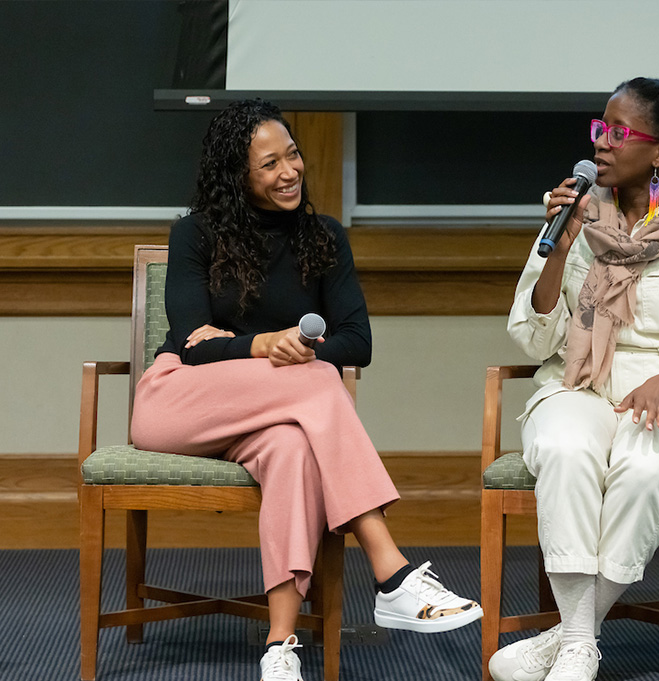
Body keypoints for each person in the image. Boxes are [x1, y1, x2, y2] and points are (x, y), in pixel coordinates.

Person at [129, 99, 482, 681]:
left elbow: (358, 342)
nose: (289, 171)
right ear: (237, 176)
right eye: (269, 164)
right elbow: (193, 344)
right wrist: (266, 345)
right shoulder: (196, 234)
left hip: (266, 417)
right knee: (316, 378)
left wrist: (279, 348)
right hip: (179, 403)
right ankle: (391, 572)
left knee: (294, 448)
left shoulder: (324, 238)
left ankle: (280, 644)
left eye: (291, 154)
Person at [491, 77, 659, 681]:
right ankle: (581, 641)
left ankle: (568, 638)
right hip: (579, 383)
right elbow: (533, 336)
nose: (602, 144)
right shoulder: (575, 217)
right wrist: (560, 246)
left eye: (618, 133)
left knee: (645, 468)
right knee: (565, 446)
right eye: (598, 130)